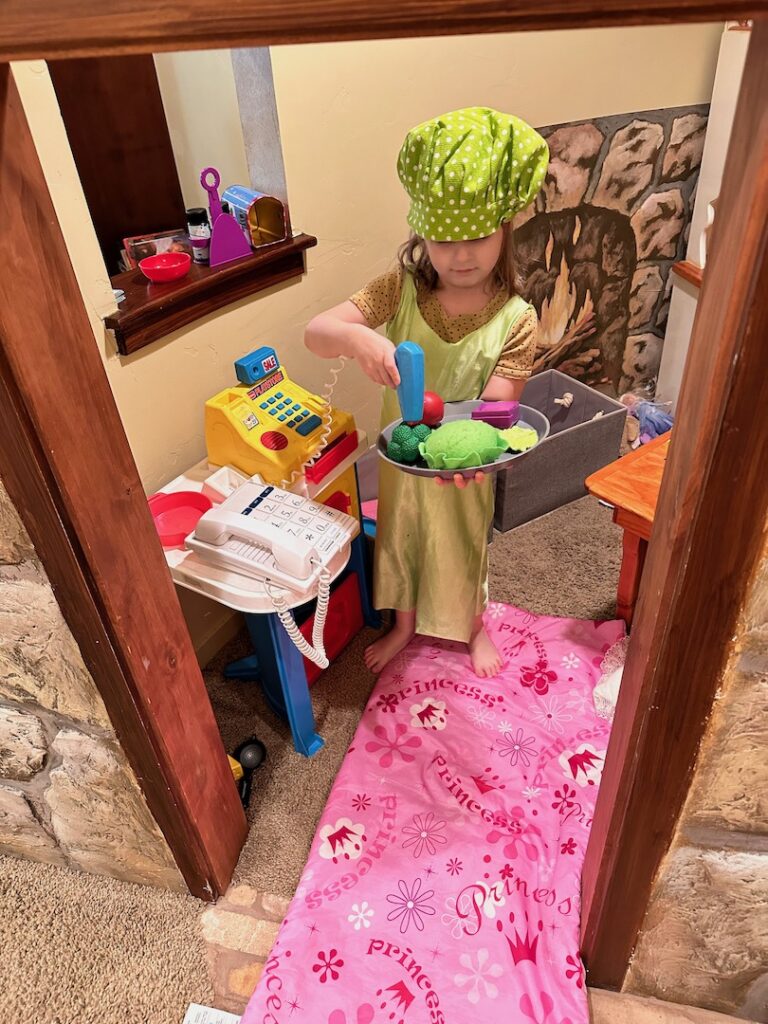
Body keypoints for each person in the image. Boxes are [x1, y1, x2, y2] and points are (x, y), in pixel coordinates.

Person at [305, 107, 548, 678]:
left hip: (467, 462)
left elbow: (498, 408)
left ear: (506, 226)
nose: (461, 255)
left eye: (477, 237)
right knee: (402, 536)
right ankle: (405, 624)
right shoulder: (400, 290)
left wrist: (479, 448)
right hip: (400, 458)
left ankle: (471, 626)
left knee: (463, 543)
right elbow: (316, 334)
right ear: (421, 233)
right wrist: (354, 337)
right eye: (442, 240)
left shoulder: (517, 319)